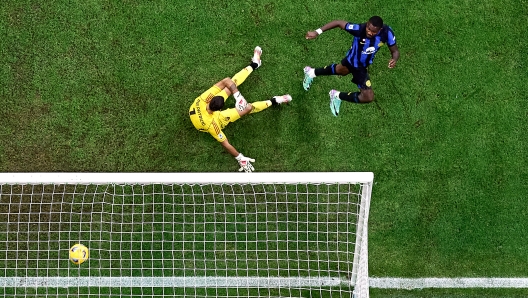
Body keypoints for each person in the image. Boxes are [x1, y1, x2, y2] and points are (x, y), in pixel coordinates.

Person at [189, 46, 292, 172]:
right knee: (248, 108)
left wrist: (238, 96)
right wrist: (240, 157)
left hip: (201, 113)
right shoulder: (213, 125)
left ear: (210, 100)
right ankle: (274, 101)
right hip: (218, 120)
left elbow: (226, 81)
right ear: (219, 109)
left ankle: (255, 64)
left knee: (232, 84)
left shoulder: (202, 100)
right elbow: (226, 144)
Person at [303, 16, 399, 116]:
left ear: (380, 29)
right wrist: (317, 32)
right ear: (367, 24)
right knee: (368, 97)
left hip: (361, 64)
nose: (369, 32)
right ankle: (336, 96)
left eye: (373, 32)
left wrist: (394, 59)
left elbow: (395, 51)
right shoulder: (359, 29)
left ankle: (310, 72)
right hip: (356, 65)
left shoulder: (387, 33)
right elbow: (338, 22)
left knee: (340, 70)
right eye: (368, 29)